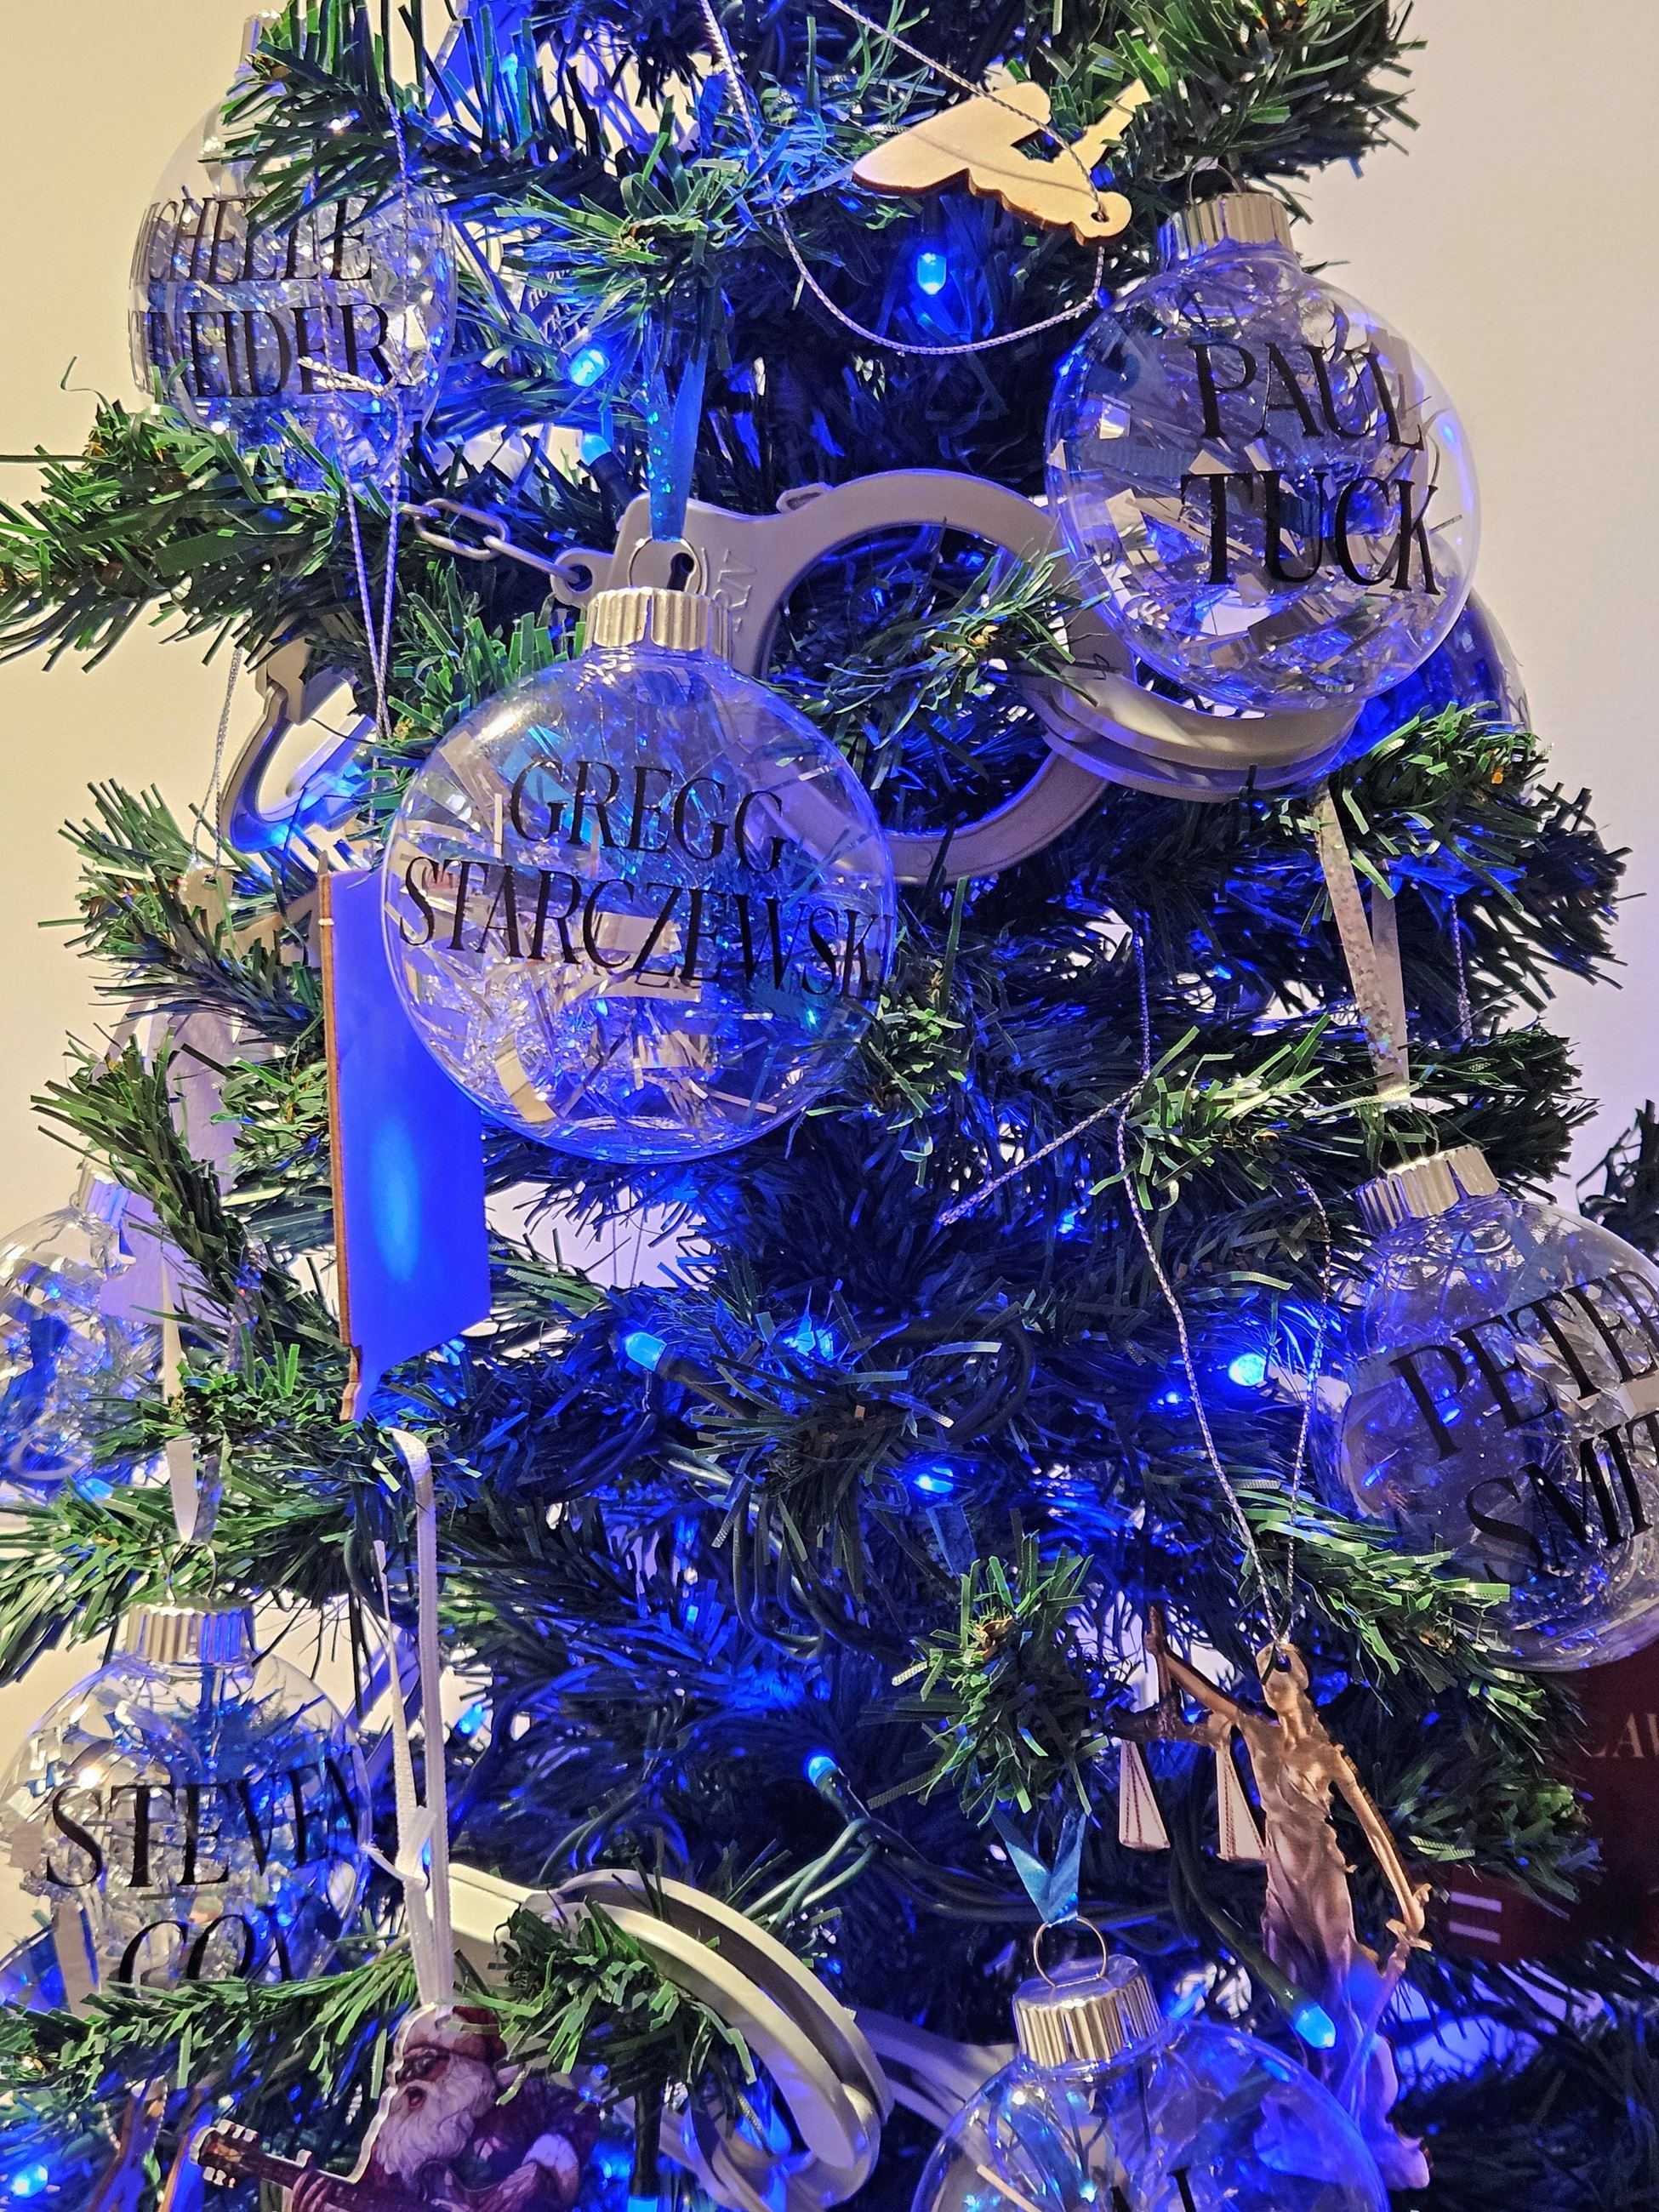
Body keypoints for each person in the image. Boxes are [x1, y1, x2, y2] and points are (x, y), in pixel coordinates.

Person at [288, 2007, 599, 2212]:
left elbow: (581, 2110)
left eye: (425, 2065)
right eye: (403, 2071)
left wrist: (537, 2171)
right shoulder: (393, 2149)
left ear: (464, 2069)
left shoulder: (513, 2100)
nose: (411, 2080)